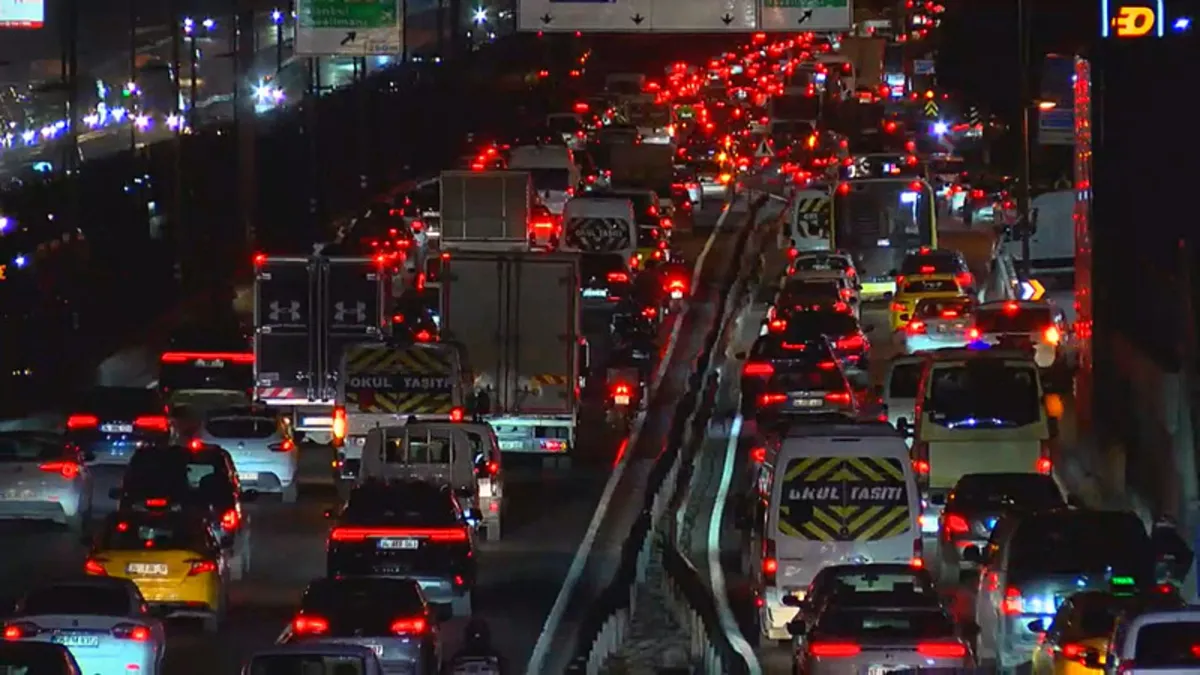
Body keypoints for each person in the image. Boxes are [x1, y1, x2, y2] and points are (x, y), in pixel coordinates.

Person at [1151, 514, 1194, 583]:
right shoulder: (1177, 541)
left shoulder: (1153, 540)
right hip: (1172, 578)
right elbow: (1188, 556)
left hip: (1160, 578)